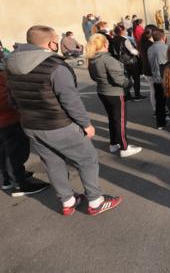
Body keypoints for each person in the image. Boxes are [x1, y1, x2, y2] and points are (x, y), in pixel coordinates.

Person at [5, 25, 122, 215]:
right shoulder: (55, 67)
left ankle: (67, 200)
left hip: (30, 124)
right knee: (87, 158)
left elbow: (12, 98)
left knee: (53, 162)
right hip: (59, 124)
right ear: (51, 43)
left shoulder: (11, 64)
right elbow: (71, 101)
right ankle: (95, 201)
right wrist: (86, 125)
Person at [86, 33, 142, 158]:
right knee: (120, 120)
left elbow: (93, 77)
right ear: (105, 44)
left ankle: (114, 143)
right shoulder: (108, 59)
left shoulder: (92, 59)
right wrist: (129, 83)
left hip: (103, 91)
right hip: (114, 93)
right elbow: (119, 80)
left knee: (112, 119)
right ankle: (124, 147)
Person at [0, 57, 49, 197]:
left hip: (7, 120)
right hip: (8, 120)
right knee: (14, 152)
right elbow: (5, 99)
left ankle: (9, 177)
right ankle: (19, 183)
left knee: (5, 151)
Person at [109, 25, 144, 101]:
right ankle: (137, 94)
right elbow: (132, 51)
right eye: (124, 30)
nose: (126, 32)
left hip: (120, 62)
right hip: (131, 62)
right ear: (122, 31)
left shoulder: (112, 40)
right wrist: (138, 52)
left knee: (126, 79)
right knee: (136, 79)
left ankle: (127, 95)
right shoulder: (125, 40)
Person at [147, 29, 168, 129]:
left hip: (155, 78)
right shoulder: (165, 47)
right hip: (166, 78)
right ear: (163, 37)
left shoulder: (150, 49)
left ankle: (160, 123)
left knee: (159, 102)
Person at [138, 27, 156, 113]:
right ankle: (156, 109)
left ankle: (155, 109)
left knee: (152, 90)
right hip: (152, 70)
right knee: (155, 92)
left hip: (146, 69)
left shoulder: (141, 43)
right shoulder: (150, 45)